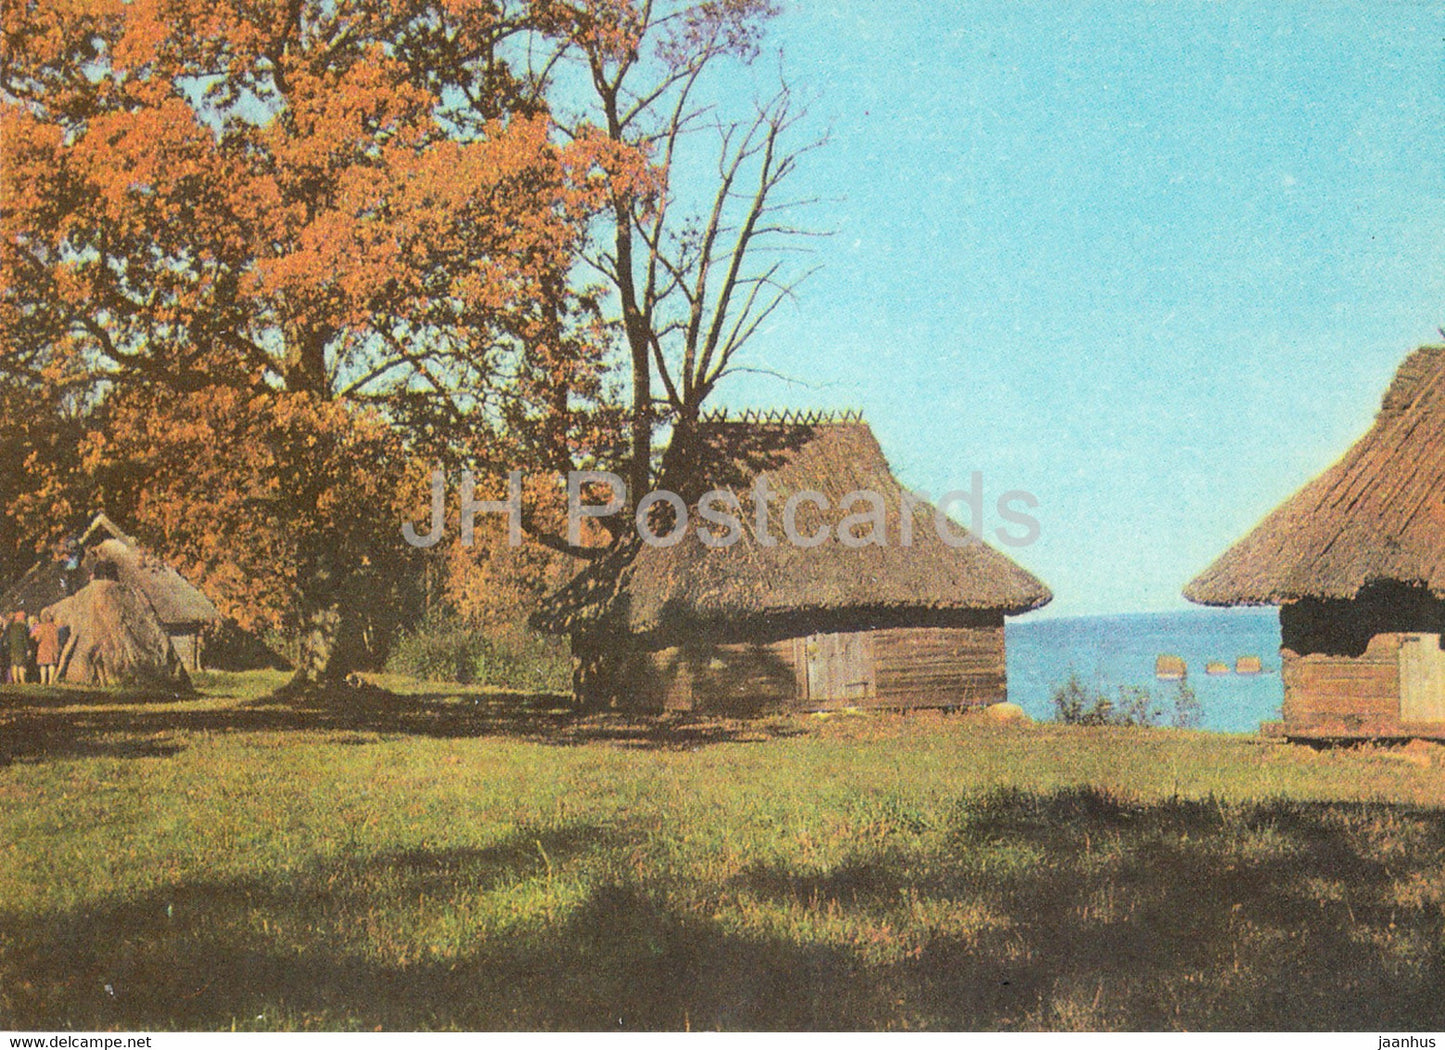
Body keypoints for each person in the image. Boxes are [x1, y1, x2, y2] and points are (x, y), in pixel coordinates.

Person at [31, 610, 61, 686]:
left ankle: (43, 681)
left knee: (42, 665)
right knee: (51, 664)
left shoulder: (40, 627)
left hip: (43, 647)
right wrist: (57, 647)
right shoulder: (54, 627)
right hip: (52, 647)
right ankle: (50, 681)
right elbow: (56, 638)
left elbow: (37, 639)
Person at [6, 611, 30, 685]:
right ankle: (22, 680)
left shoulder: (11, 626)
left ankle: (15, 680)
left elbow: (8, 638)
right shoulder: (23, 627)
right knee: (21, 664)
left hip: (12, 647)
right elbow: (25, 639)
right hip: (20, 647)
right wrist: (28, 648)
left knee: (14, 664)